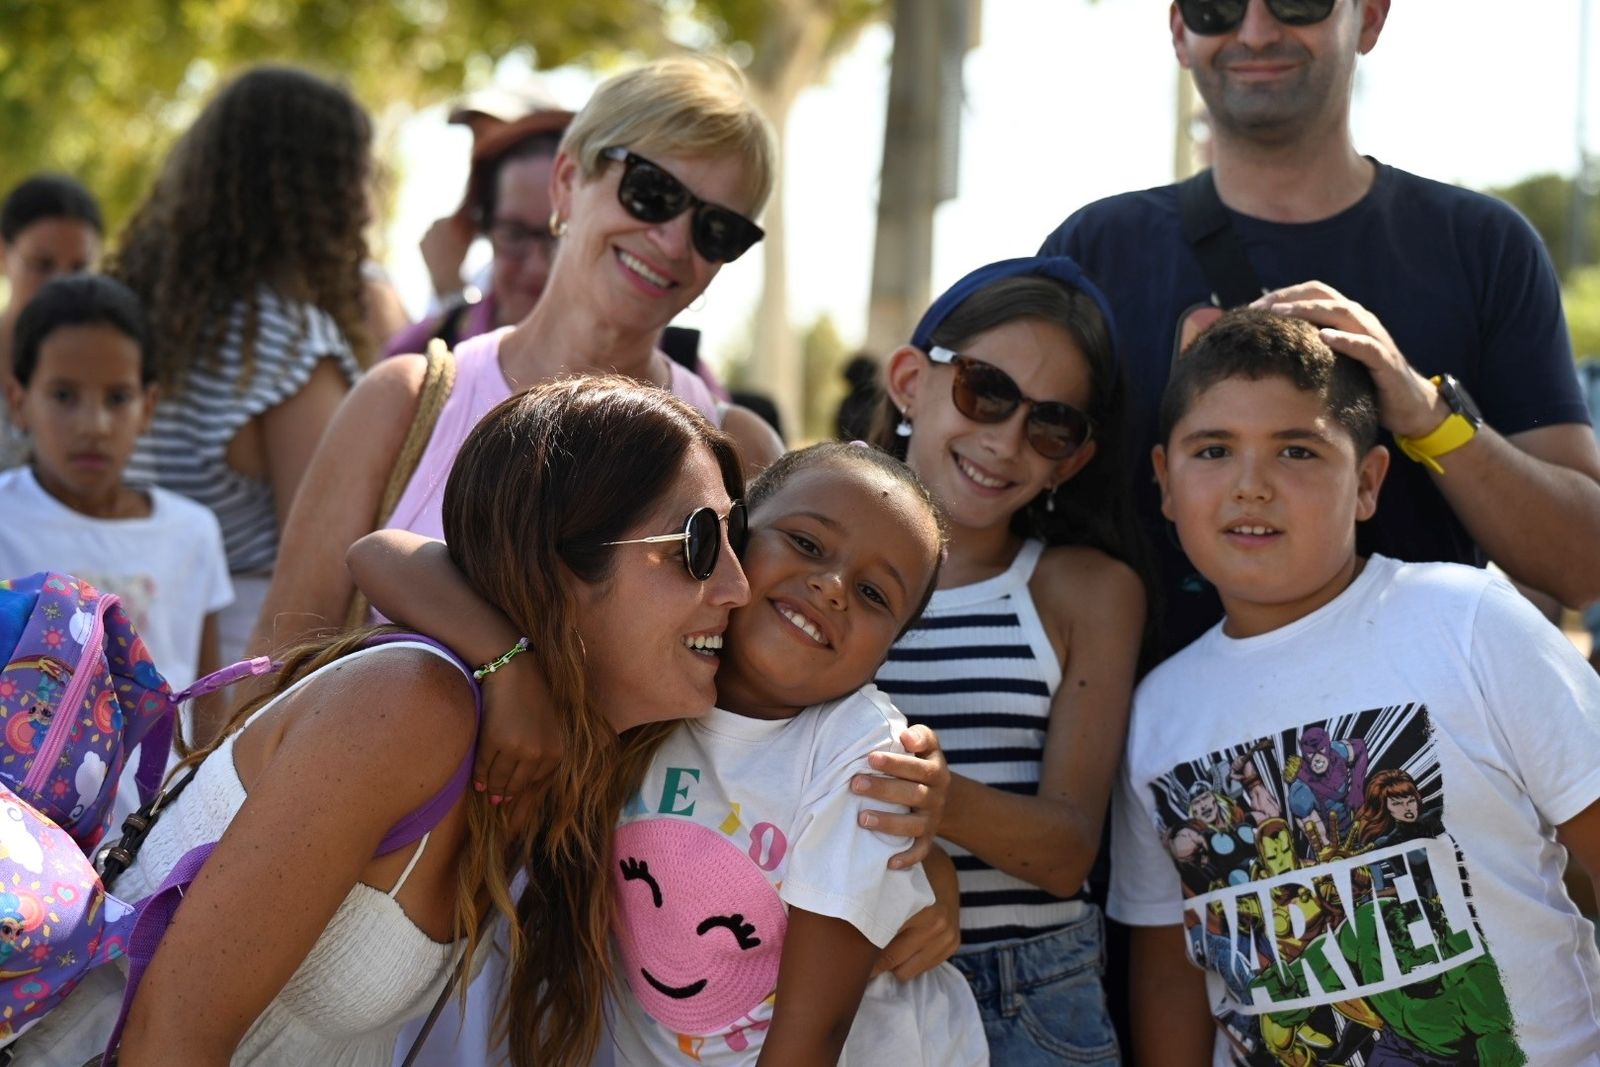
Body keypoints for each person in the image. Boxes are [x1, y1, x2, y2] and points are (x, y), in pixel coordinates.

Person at [14, 376, 752, 1067]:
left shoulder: (573, 756)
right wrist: (508, 662)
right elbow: (165, 1042)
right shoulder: (412, 705)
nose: (737, 585)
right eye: (696, 544)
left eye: (737, 537)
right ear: (559, 560)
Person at [350, 443, 981, 1065]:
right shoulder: (652, 667)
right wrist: (509, 667)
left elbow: (813, 1036)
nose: (834, 586)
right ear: (729, 541)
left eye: (875, 595)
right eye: (808, 544)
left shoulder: (861, 758)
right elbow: (381, 555)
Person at [252, 55, 786, 778]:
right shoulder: (408, 402)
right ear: (569, 180)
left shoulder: (738, 450)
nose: (673, 242)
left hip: (597, 880)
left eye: (717, 230)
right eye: (652, 192)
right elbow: (266, 682)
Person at [1110, 309, 1600, 1065]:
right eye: (1213, 450)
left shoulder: (1469, 622)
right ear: (1164, 483)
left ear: (1368, 482)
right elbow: (1171, 971)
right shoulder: (1154, 711)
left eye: (1297, 450)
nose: (1252, 485)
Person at [1041, 0, 1600, 658]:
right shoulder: (1095, 252)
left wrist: (1426, 411)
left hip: (1411, 749)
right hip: (1149, 749)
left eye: (1296, 0)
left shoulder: (1483, 246)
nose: (1255, 30)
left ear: (1368, 18)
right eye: (1215, 7)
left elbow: (1581, 562)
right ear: (1179, 31)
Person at [869, 257, 1147, 1063]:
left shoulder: (1087, 590)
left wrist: (934, 797)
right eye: (985, 391)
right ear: (910, 380)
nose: (1005, 439)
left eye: (1052, 423)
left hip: (1030, 1001)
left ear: (1074, 459)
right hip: (829, 974)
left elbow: (1065, 854)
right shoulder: (806, 559)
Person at [110, 65, 372, 665]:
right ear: (322, 194)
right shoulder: (291, 350)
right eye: (358, 176)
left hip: (101, 639)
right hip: (234, 663)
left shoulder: (131, 318)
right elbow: (325, 570)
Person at [0, 274, 232, 795]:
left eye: (118, 397)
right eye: (63, 395)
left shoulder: (192, 533)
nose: (94, 424)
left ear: (148, 406)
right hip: (19, 836)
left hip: (156, 830)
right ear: (19, 401)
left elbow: (209, 699)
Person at [383, 109, 574, 357]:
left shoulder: (628, 369)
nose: (537, 266)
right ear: (484, 225)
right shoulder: (418, 356)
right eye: (514, 234)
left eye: (559, 235)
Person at [0, 174, 104, 469]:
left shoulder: (116, 366)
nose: (60, 284)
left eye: (79, 267)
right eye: (41, 265)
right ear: (3, 254)